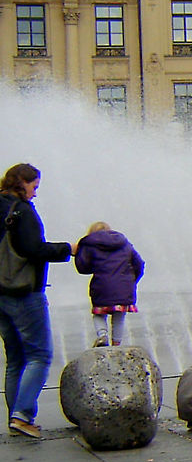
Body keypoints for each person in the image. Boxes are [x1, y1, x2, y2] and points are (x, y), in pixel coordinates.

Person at [0, 163, 76, 439]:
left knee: (16, 358)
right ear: (23, 182)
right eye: (34, 187)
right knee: (40, 355)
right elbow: (33, 249)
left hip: (1, 295)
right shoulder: (21, 210)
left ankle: (16, 416)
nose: (35, 194)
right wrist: (68, 249)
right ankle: (22, 416)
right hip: (23, 292)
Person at [75, 221, 145, 347]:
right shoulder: (124, 244)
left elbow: (82, 268)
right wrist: (131, 281)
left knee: (99, 314)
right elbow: (139, 264)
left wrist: (78, 254)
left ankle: (102, 336)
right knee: (119, 316)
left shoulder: (89, 244)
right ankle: (116, 344)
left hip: (102, 286)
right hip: (124, 286)